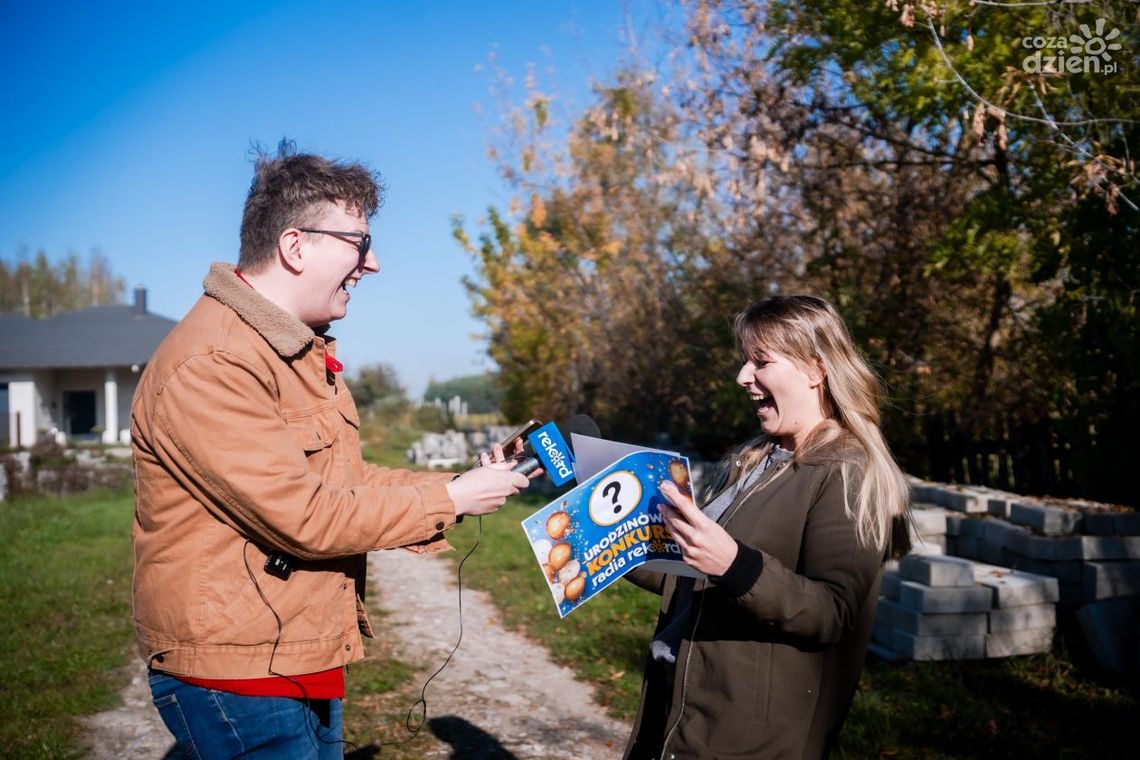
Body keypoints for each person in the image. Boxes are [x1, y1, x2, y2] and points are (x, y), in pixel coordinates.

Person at [131, 144, 531, 758]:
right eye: (359, 243)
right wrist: (450, 498)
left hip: (290, 649)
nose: (372, 265)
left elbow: (341, 479)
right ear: (295, 246)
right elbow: (306, 516)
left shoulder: (293, 350)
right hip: (239, 670)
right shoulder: (214, 362)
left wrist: (457, 488)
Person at [623, 294, 911, 760]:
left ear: (816, 369)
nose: (742, 377)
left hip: (747, 743)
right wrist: (605, 538)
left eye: (761, 361)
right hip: (678, 716)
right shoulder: (754, 459)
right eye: (744, 361)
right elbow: (690, 575)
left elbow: (832, 612)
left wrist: (734, 564)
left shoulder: (847, 470)